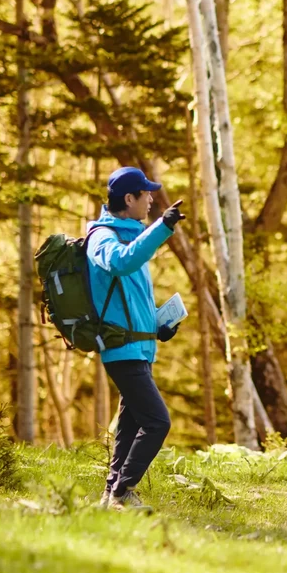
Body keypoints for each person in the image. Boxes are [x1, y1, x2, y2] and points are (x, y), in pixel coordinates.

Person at [87, 166, 186, 512]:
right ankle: (122, 491)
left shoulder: (132, 235)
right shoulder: (102, 237)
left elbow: (130, 300)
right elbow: (120, 263)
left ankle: (110, 495)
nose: (151, 200)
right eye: (146, 195)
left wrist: (158, 325)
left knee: (130, 425)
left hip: (139, 346)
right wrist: (163, 227)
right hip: (120, 349)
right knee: (158, 421)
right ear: (128, 199)